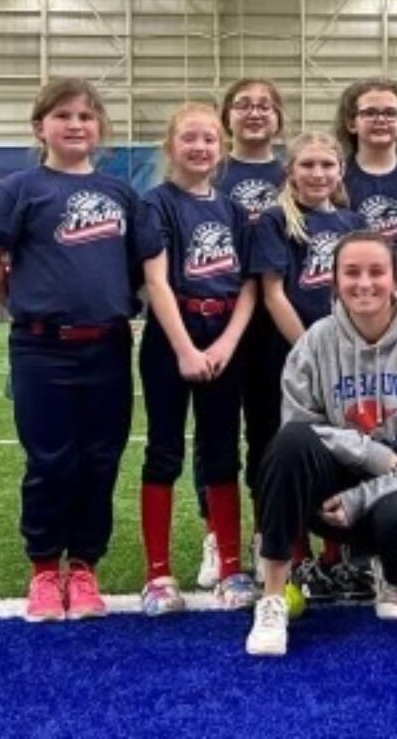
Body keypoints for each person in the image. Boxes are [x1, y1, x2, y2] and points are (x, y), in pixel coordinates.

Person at [0, 77, 161, 622]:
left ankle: (85, 565)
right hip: (42, 349)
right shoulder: (22, 188)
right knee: (50, 461)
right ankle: (45, 569)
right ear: (40, 127)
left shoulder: (121, 193)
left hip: (108, 345)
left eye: (86, 116)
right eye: (63, 115)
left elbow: (143, 270)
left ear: (100, 130)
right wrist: (23, 303)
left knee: (101, 460)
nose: (76, 125)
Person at [245, 231, 397, 657]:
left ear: (396, 278)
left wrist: (363, 496)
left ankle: (392, 571)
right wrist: (369, 454)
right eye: (352, 273)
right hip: (333, 489)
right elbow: (300, 425)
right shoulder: (315, 342)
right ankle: (272, 596)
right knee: (287, 445)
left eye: (376, 272)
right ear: (335, 281)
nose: (365, 283)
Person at [138, 102, 259, 615]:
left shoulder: (232, 209)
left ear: (223, 147)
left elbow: (250, 284)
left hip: (223, 332)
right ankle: (159, 576)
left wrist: (227, 343)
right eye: (189, 137)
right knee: (164, 450)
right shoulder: (157, 203)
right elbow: (156, 280)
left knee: (221, 451)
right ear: (171, 146)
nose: (200, 147)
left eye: (210, 138)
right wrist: (186, 348)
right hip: (174, 336)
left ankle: (231, 567)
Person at [249, 132, 369, 600]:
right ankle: (293, 557)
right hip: (291, 356)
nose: (318, 174)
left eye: (327, 165)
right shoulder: (277, 221)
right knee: (288, 453)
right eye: (308, 165)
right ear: (290, 172)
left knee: (344, 451)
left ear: (340, 171)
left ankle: (336, 557)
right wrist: (310, 350)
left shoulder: (353, 221)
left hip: (349, 357)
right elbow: (274, 292)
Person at [192, 79, 286, 591]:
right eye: (244, 105)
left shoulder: (291, 172)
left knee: (269, 433)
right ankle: (215, 534)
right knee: (213, 436)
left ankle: (261, 532)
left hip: (276, 322)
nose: (254, 113)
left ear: (279, 118)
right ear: (227, 116)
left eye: (264, 106)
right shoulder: (211, 168)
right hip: (217, 323)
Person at [335, 77, 397, 243]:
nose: (380, 120)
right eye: (370, 113)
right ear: (351, 123)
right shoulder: (337, 177)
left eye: (390, 113)